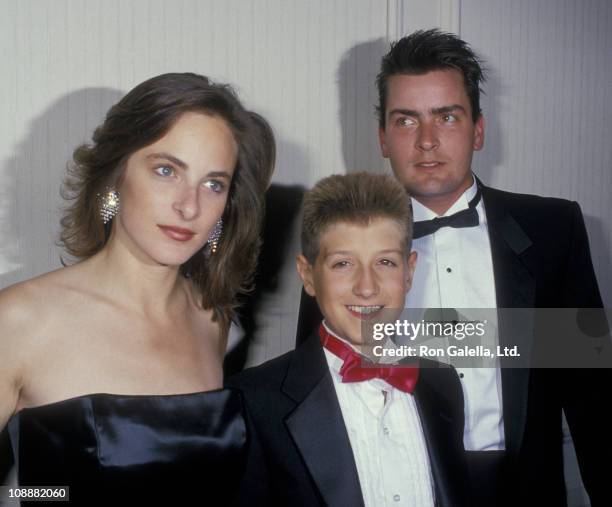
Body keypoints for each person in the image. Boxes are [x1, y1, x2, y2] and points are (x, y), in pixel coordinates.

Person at [0, 72, 275, 503]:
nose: (189, 206)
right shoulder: (19, 320)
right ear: (115, 178)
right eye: (166, 170)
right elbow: (34, 492)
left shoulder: (212, 321)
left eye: (213, 184)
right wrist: (41, 496)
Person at [374, 29, 609, 506]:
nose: (426, 141)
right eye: (405, 121)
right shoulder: (340, 241)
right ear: (382, 137)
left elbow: (591, 397)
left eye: (447, 116)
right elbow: (316, 394)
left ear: (478, 129)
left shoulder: (553, 229)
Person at [229, 172, 470, 507]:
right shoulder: (252, 403)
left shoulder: (443, 385)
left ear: (409, 272)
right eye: (343, 264)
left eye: (385, 262)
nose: (367, 287)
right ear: (308, 275)